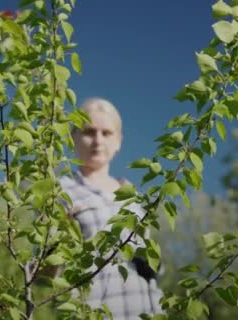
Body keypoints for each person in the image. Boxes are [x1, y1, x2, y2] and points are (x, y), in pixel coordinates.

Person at [58, 97, 164, 319]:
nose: (98, 140)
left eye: (106, 133)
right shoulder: (61, 192)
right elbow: (42, 274)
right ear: (73, 137)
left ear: (119, 141)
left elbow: (153, 268)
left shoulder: (133, 197)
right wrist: (57, 237)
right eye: (89, 132)